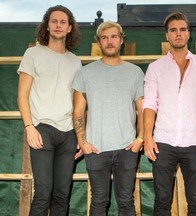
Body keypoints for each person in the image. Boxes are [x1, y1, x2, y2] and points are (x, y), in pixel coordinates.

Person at [143, 12, 196, 215]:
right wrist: (147, 137)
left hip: (195, 142)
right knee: (161, 200)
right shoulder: (155, 68)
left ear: (189, 34)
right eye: (173, 30)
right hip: (163, 142)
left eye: (183, 29)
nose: (178, 34)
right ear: (167, 35)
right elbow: (149, 104)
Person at [72, 21, 144, 216]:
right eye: (104, 38)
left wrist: (140, 139)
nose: (109, 41)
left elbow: (143, 109)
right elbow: (78, 111)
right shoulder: (85, 73)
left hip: (127, 148)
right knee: (98, 201)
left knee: (126, 201)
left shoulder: (135, 72)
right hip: (96, 149)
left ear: (121, 40)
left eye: (113, 37)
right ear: (98, 42)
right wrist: (83, 142)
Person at [17, 5, 81, 216]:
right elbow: (22, 95)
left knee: (62, 194)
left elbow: (79, 102)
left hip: (68, 134)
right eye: (54, 21)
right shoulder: (33, 54)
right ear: (47, 25)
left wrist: (81, 136)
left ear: (70, 28)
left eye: (63, 22)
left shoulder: (75, 61)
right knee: (43, 193)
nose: (58, 25)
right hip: (42, 130)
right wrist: (29, 127)